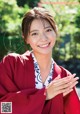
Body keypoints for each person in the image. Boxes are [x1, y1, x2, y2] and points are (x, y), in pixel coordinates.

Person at [0, 7, 80, 114]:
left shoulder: (65, 77)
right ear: (26, 38)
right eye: (34, 33)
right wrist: (45, 95)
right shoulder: (12, 64)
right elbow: (3, 108)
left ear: (55, 31)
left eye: (48, 30)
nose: (43, 38)